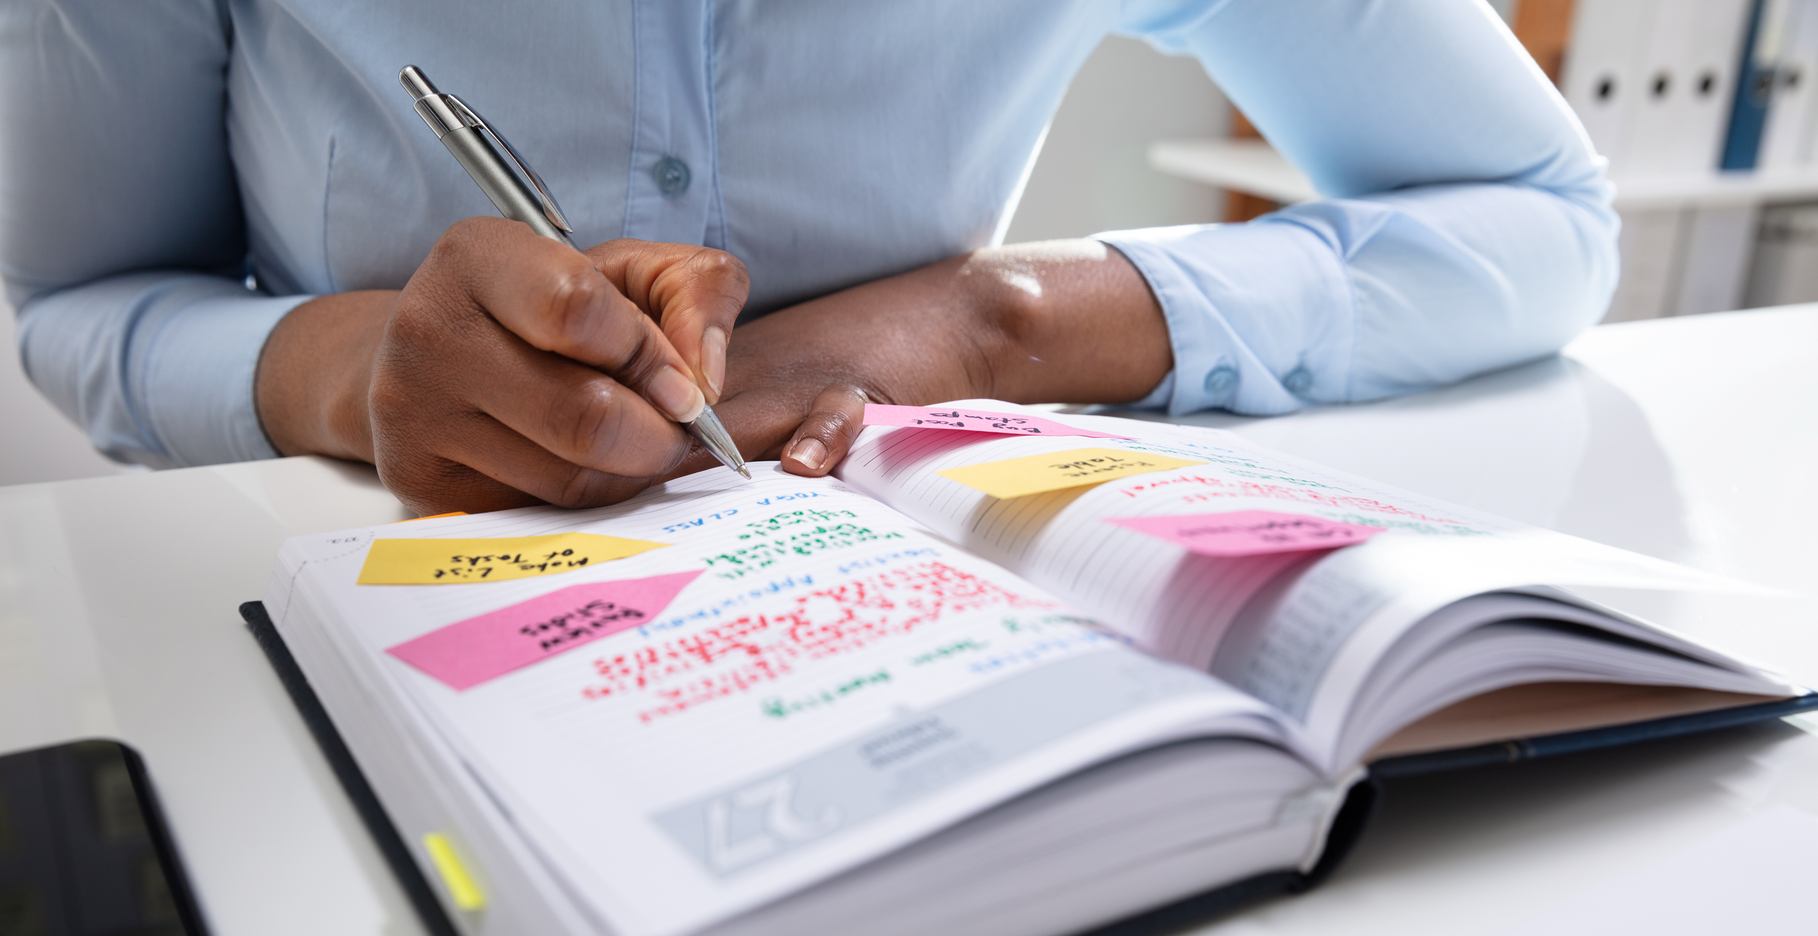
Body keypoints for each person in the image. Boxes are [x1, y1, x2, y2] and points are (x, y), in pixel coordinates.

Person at [0, 0, 1615, 516]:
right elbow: (79, 297)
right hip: (344, 605)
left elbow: (1536, 208)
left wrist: (995, 321)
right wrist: (350, 369)